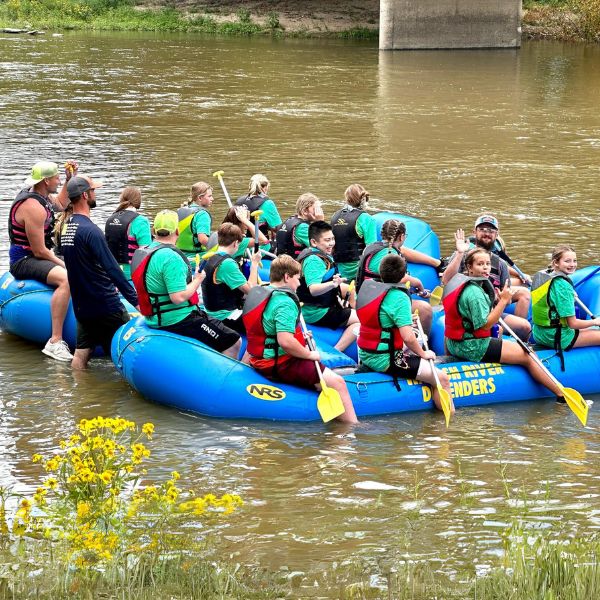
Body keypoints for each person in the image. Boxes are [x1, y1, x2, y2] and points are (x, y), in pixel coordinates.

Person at [243, 254, 358, 424]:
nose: (299, 283)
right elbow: (285, 341)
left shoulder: (260, 292)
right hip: (281, 363)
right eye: (297, 278)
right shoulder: (284, 302)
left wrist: (299, 336)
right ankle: (351, 429)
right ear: (287, 277)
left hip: (259, 359)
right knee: (338, 383)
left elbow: (267, 329)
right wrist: (310, 355)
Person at [443, 248, 566, 401]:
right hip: (472, 346)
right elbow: (485, 325)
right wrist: (503, 301)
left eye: (487, 264)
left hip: (453, 343)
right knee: (529, 355)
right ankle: (561, 394)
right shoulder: (474, 293)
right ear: (469, 267)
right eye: (480, 264)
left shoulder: (460, 281)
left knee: (503, 334)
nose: (486, 267)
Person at [131, 210, 241, 359]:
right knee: (233, 340)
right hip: (177, 319)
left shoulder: (144, 251)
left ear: (154, 231)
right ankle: (222, 377)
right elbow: (178, 297)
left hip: (154, 317)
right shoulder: (170, 257)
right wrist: (197, 280)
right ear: (177, 231)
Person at [357, 254, 454, 414]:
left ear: (380, 273)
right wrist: (423, 353)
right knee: (442, 379)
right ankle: (445, 429)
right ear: (404, 275)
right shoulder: (399, 297)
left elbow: (381, 318)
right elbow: (408, 337)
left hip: (365, 353)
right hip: (385, 359)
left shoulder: (370, 287)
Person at [61, 175, 138, 369]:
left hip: (82, 305)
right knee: (125, 355)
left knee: (80, 356)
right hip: (106, 305)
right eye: (93, 191)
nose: (96, 194)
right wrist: (136, 301)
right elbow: (112, 269)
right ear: (85, 195)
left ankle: (80, 393)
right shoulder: (91, 231)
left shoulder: (66, 228)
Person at [9, 161, 73, 361]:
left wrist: (69, 180)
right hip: (24, 260)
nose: (59, 180)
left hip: (38, 254)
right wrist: (64, 265)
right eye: (57, 178)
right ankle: (55, 341)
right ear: (46, 181)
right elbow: (39, 251)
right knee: (67, 279)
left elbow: (62, 204)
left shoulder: (42, 196)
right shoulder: (33, 207)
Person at [442, 222, 531, 341]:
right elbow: (446, 280)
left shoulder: (500, 264)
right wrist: (459, 253)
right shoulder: (463, 255)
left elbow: (507, 297)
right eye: (483, 229)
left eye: (491, 230)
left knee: (524, 326)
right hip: (466, 313)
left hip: (489, 311)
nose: (487, 233)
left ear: (496, 234)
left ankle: (516, 346)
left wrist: (501, 299)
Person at [356, 218, 433, 334]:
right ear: (401, 237)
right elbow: (404, 278)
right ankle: (419, 344)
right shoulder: (391, 255)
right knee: (425, 309)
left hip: (364, 296)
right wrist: (420, 287)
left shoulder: (372, 247)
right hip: (375, 303)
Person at [532, 244, 600, 367]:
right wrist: (595, 322)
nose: (572, 264)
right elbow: (573, 324)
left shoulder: (545, 276)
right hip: (557, 337)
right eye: (567, 261)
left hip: (539, 333)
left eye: (574, 261)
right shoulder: (563, 286)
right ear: (556, 263)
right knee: (596, 329)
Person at [297, 221, 359, 353]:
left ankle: (349, 309)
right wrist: (333, 284)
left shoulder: (317, 255)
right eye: (327, 240)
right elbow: (313, 289)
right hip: (315, 312)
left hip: (319, 306)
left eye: (332, 239)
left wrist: (336, 285)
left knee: (349, 289)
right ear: (314, 242)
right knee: (360, 321)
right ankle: (337, 351)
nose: (331, 243)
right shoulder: (313, 261)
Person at [202, 223, 262, 334]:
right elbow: (251, 289)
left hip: (213, 311)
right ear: (235, 243)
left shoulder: (208, 256)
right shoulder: (227, 264)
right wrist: (254, 264)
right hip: (225, 317)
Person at [330, 183, 378, 281]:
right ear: (364, 199)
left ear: (347, 199)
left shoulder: (334, 216)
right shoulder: (367, 219)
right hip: (358, 270)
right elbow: (372, 249)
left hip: (339, 270)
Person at [105, 186, 152, 279]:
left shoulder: (110, 219)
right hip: (132, 274)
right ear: (138, 201)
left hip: (112, 273)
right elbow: (146, 252)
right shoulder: (140, 221)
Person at [235, 174, 282, 243]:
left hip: (242, 243)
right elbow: (278, 229)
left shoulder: (239, 201)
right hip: (260, 244)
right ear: (265, 187)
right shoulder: (268, 203)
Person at [275, 192, 324, 258]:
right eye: (315, 209)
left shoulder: (290, 220)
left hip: (284, 261)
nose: (319, 212)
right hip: (294, 264)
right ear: (305, 211)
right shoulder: (303, 227)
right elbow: (323, 246)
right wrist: (320, 222)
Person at [176, 182, 214, 259]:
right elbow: (202, 239)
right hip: (197, 257)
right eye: (209, 196)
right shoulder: (202, 214)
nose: (212, 198)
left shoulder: (181, 210)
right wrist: (217, 247)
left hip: (180, 255)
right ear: (200, 198)